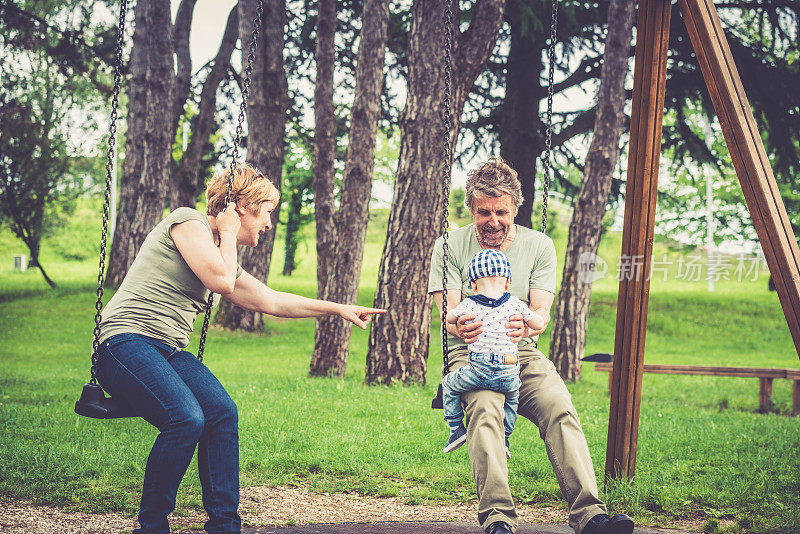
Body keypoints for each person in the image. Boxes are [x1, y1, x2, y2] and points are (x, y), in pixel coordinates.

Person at [96, 164, 384, 534]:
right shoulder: (188, 222)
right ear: (241, 208)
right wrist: (228, 231)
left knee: (220, 412)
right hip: (124, 342)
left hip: (165, 349)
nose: (268, 224)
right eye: (266, 213)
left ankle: (224, 526)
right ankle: (151, 527)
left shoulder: (220, 254)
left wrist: (337, 308)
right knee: (185, 419)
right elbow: (222, 281)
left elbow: (273, 301)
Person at [428, 157, 634, 534]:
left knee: (559, 405)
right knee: (486, 410)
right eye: (483, 212)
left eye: (501, 212)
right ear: (471, 209)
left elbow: (541, 310)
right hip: (469, 352)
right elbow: (448, 311)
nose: (493, 221)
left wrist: (536, 321)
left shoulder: (539, 245)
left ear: (515, 209)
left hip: (520, 350)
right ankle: (498, 519)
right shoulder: (448, 246)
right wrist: (460, 320)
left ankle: (591, 516)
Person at [442, 249, 542, 458]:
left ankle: (455, 430)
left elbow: (449, 319)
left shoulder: (469, 303)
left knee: (449, 384)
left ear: (473, 285)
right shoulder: (515, 303)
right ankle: (505, 438)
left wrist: (460, 315)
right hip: (508, 373)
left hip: (478, 371)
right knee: (512, 399)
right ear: (507, 283)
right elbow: (539, 323)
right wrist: (526, 321)